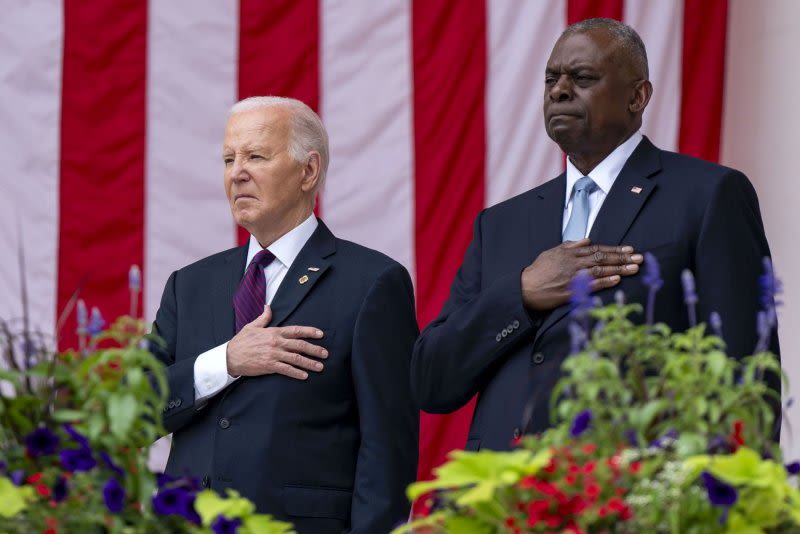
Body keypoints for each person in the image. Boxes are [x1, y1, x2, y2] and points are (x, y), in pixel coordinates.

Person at [411, 18, 777, 452]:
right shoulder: (501, 223)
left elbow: (749, 376)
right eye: (552, 78)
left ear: (638, 96)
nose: (559, 90)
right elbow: (431, 380)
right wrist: (522, 293)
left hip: (632, 498)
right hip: (502, 502)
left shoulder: (707, 195)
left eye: (582, 78)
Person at [151, 96, 419, 533]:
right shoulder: (189, 285)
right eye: (228, 158)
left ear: (308, 171)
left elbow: (387, 453)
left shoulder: (372, 282)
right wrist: (226, 361)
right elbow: (136, 410)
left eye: (255, 156)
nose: (237, 172)